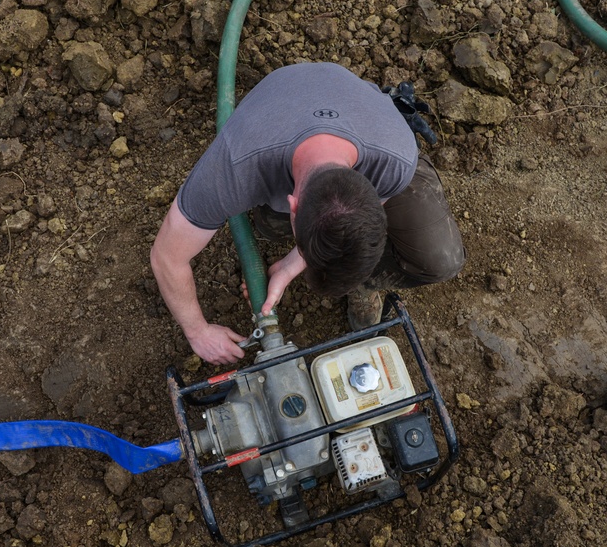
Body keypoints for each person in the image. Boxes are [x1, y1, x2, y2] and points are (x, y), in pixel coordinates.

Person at [150, 62, 465, 365]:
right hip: (276, 114)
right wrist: (198, 332)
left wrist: (289, 267)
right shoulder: (234, 168)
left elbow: (380, 200)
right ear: (293, 204)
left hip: (372, 124)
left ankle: (365, 282)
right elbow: (167, 256)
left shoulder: (394, 158)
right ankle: (290, 231)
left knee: (441, 262)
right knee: (271, 227)